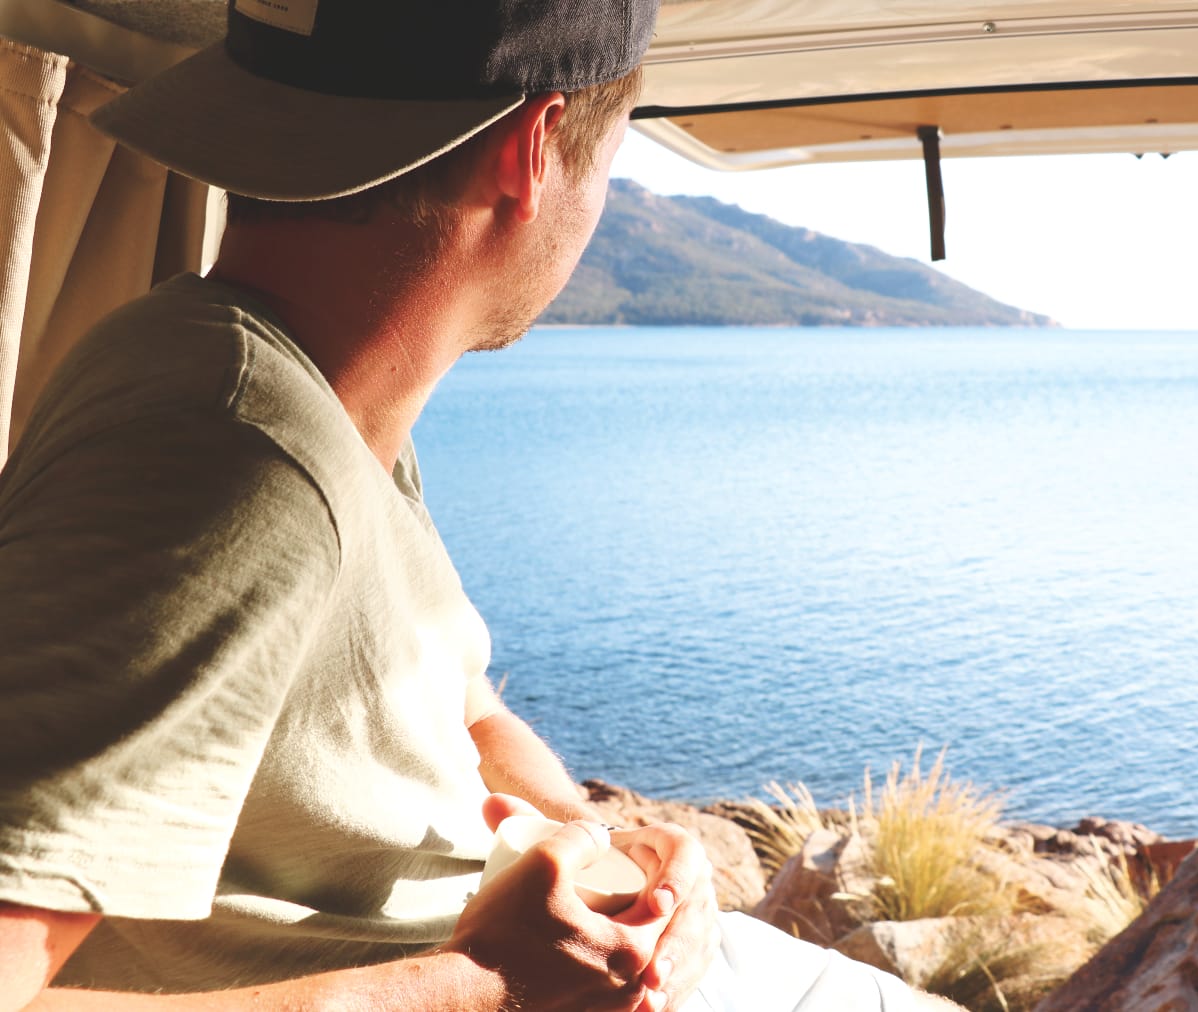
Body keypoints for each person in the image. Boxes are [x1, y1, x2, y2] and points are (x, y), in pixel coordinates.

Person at [0, 0, 946, 1008]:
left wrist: (605, 847)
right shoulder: (231, 454)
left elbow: (465, 709)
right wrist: (483, 983)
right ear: (534, 147)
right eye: (613, 160)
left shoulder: (323, 399)